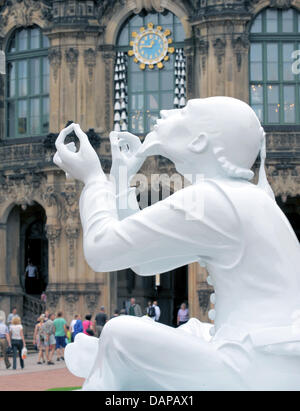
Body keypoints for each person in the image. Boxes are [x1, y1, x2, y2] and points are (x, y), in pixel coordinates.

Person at [56, 99, 300, 390]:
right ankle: (102, 358)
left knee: (118, 334)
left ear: (198, 142)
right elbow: (145, 262)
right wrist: (121, 178)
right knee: (189, 332)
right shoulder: (245, 197)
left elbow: (101, 250)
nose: (166, 112)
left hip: (253, 367)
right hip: (274, 363)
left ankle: (102, 358)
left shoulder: (213, 199)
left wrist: (95, 179)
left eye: (184, 111)